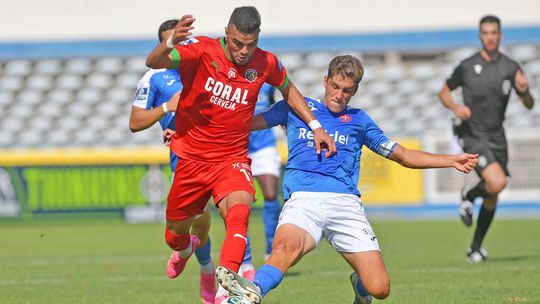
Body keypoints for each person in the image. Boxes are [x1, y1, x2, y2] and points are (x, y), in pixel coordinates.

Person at [212, 55, 479, 304]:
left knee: (380, 288)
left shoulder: (360, 121)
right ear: (325, 81)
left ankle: (360, 288)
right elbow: (247, 123)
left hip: (345, 204)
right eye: (336, 87)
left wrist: (450, 160)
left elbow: (404, 155)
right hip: (303, 201)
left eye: (347, 90)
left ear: (355, 91)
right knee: (285, 249)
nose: (339, 96)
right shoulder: (295, 107)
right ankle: (251, 293)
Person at [145, 6, 336, 302]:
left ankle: (228, 288)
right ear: (226, 33)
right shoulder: (202, 50)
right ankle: (185, 249)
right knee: (174, 234)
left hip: (231, 159)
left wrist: (315, 126)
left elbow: (289, 89)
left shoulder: (266, 62)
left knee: (239, 211)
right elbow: (153, 61)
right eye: (237, 43)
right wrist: (171, 42)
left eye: (251, 44)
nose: (244, 51)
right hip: (192, 160)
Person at [129, 19, 217, 303]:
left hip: (213, 151)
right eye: (171, 44)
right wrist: (167, 108)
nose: (177, 50)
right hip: (182, 154)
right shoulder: (153, 77)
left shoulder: (206, 69)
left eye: (182, 43)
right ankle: (187, 252)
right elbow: (135, 122)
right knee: (191, 224)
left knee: (207, 222)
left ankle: (210, 270)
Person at [438, 15, 535, 263]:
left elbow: (528, 104)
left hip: (497, 136)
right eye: (485, 33)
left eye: (494, 32)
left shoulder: (511, 67)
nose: (490, 37)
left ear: (500, 35)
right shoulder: (468, 66)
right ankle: (469, 195)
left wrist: (525, 92)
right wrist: (455, 107)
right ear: (480, 36)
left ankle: (475, 248)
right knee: (497, 182)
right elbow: (444, 92)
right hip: (472, 134)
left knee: (493, 194)